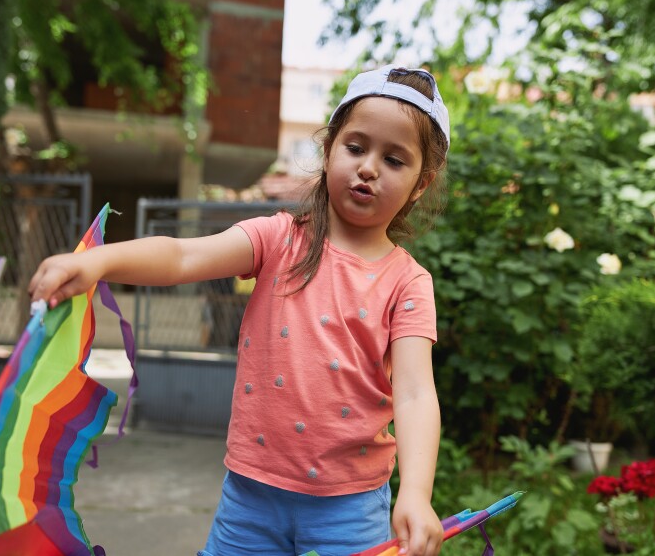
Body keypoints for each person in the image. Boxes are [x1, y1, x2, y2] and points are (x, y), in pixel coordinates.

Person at [28, 64, 451, 556]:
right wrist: (99, 260)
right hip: (250, 498)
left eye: (395, 160)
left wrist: (417, 494)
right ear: (330, 147)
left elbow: (417, 393)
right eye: (356, 147)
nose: (369, 167)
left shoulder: (409, 281)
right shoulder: (277, 239)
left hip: (351, 508)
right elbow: (183, 255)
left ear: (422, 183)